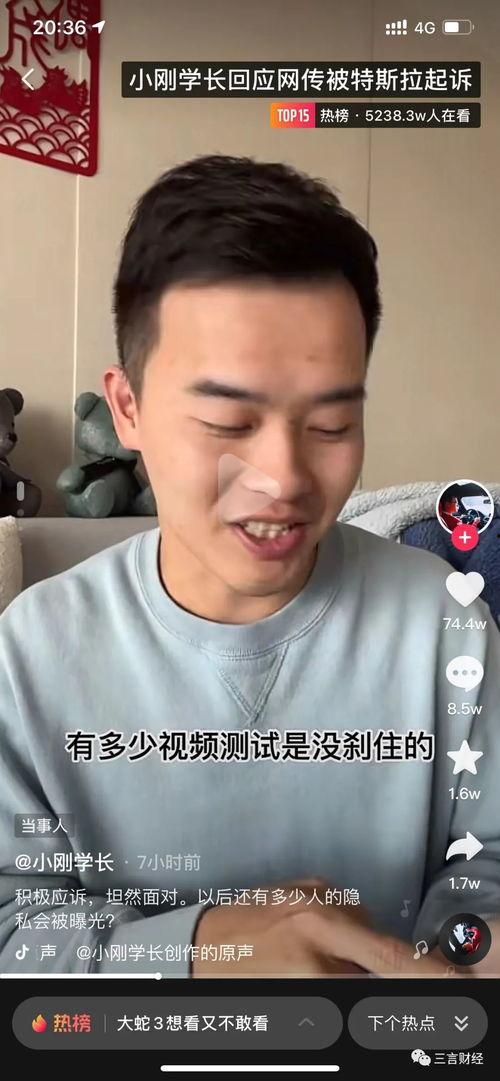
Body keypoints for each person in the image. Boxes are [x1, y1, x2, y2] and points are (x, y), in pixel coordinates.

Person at [1, 155, 499, 978]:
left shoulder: (447, 624)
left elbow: (485, 869)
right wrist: (207, 949)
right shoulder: (33, 651)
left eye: (331, 426)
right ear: (127, 407)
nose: (285, 479)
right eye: (229, 422)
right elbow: (14, 929)